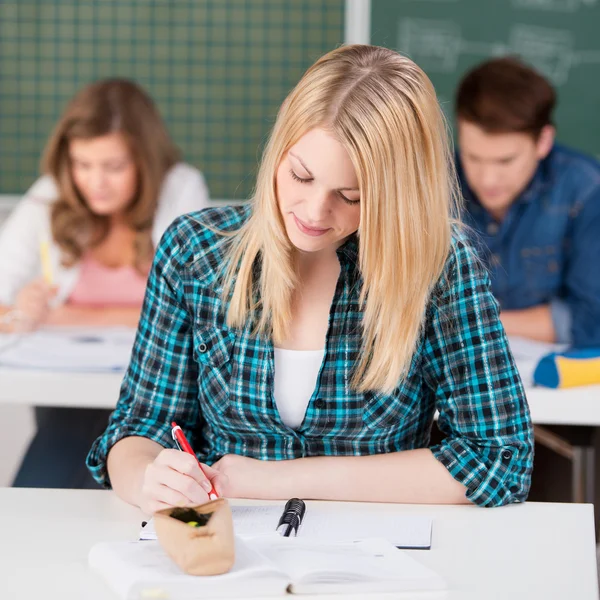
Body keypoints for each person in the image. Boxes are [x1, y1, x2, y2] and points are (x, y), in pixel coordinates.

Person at [88, 45, 533, 513]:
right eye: (301, 176)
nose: (315, 213)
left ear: (396, 194)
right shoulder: (195, 252)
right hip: (229, 553)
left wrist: (272, 479)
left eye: (351, 196)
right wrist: (146, 479)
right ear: (280, 145)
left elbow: (498, 460)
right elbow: (139, 428)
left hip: (375, 560)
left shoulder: (440, 265)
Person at [0, 78, 210, 488]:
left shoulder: (180, 188)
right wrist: (22, 311)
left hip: (158, 396)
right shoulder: (49, 196)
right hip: (70, 394)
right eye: (82, 165)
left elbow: (195, 310)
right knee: (50, 477)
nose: (95, 181)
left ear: (144, 160)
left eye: (113, 167)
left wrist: (66, 315)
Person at [455, 57, 600, 348]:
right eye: (473, 157)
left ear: (543, 142)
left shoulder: (586, 189)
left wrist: (477, 324)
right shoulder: (430, 183)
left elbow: (591, 320)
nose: (487, 179)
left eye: (505, 161)